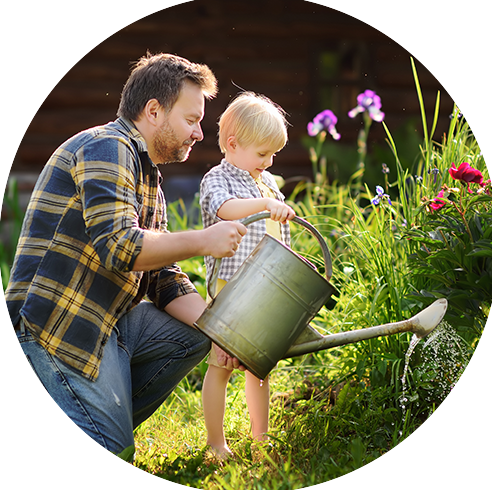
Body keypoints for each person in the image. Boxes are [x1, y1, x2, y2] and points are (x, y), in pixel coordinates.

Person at [6, 53, 247, 458]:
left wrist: (224, 333)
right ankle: (76, 425)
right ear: (154, 111)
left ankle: (86, 418)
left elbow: (163, 277)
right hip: (57, 328)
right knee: (111, 453)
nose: (200, 134)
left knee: (193, 336)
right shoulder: (106, 147)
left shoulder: (149, 178)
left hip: (110, 322)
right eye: (191, 120)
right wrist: (204, 240)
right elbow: (120, 245)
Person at [199, 92, 296, 458]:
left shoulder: (266, 182)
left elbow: (275, 234)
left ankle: (260, 438)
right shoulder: (217, 179)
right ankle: (215, 443)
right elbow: (225, 210)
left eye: (273, 155)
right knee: (221, 366)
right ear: (233, 144)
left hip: (265, 290)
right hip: (230, 290)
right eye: (262, 154)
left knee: (259, 368)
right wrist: (266, 204)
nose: (268, 162)